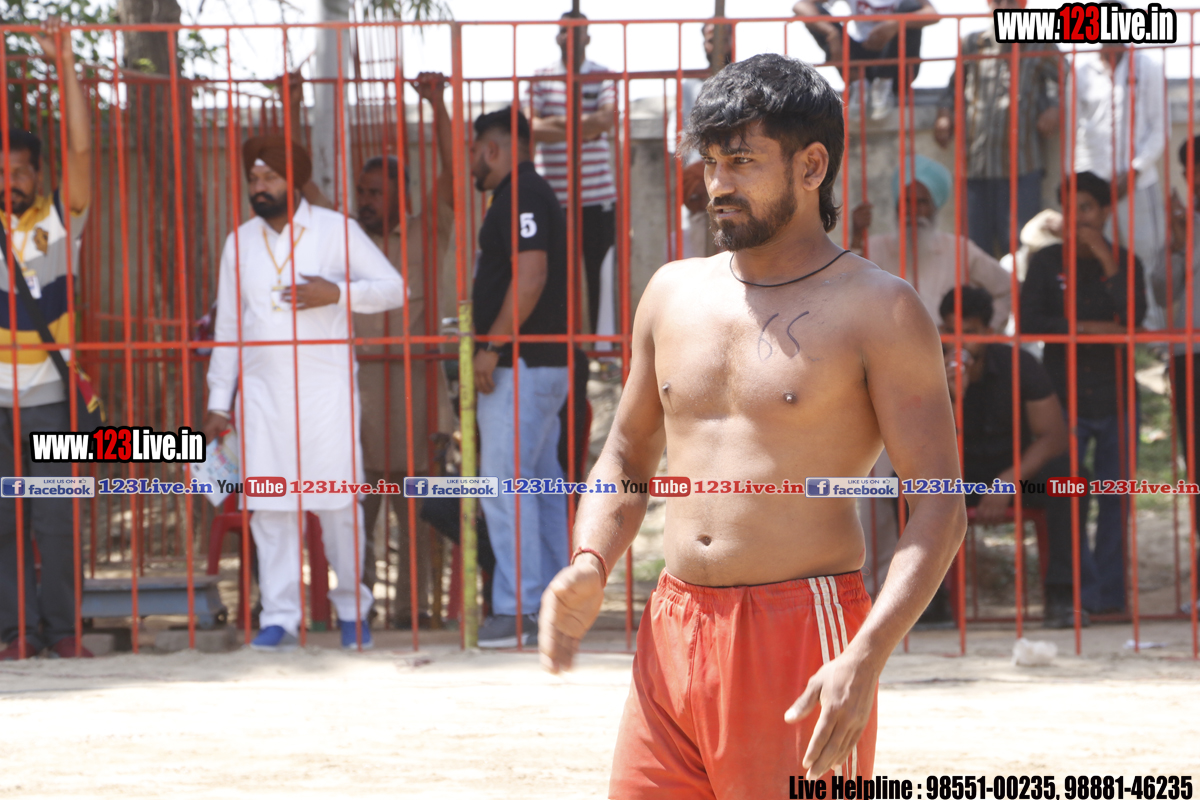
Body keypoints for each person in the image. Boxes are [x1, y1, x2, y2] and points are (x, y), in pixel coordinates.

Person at [539, 54, 965, 795]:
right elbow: (627, 454)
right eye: (710, 162)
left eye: (741, 161)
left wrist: (866, 655)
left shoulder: (879, 308)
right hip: (671, 627)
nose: (718, 184)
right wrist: (590, 561)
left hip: (800, 634)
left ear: (811, 166)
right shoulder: (671, 293)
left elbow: (938, 504)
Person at [202, 136, 405, 651]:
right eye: (254, 179)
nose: (260, 187)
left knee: (338, 507)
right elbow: (229, 329)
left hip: (324, 399)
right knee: (271, 510)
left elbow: (393, 288)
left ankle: (353, 612)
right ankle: (280, 616)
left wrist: (336, 293)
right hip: (263, 400)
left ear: (293, 180)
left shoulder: (336, 230)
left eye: (270, 178)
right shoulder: (239, 243)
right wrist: (218, 402)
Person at [0, 18, 93, 661]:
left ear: (37, 175)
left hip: (52, 398)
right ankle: (17, 633)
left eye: (20, 171)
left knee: (57, 519)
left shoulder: (58, 223)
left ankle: (63, 630)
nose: (10, 179)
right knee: (4, 522)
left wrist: (64, 64)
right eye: (1, 170)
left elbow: (82, 153)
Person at [352, 72, 456, 629]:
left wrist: (437, 107)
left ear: (401, 195)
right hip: (359, 398)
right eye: (362, 192)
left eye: (375, 192)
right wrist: (293, 104)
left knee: (416, 513)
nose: (364, 201)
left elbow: (453, 177)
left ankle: (413, 610)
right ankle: (359, 605)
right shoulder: (345, 239)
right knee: (356, 514)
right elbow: (304, 191)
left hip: (415, 396)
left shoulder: (426, 230)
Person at [1020, 171, 1146, 615]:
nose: (1079, 218)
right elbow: (1029, 322)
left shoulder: (1126, 262)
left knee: (1116, 500)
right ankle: (1080, 596)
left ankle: (1111, 599)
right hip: (1064, 397)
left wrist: (1107, 263)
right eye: (1071, 209)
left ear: (1107, 212)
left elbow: (1134, 321)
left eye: (1088, 208)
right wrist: (1089, 329)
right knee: (1070, 495)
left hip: (1117, 397)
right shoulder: (1046, 260)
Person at [470, 107, 571, 649]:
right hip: (541, 364)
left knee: (505, 486)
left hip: (521, 365)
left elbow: (530, 276)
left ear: (492, 149)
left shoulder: (522, 194)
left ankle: (520, 609)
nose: (472, 162)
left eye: (475, 151)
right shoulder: (529, 193)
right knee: (540, 486)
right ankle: (556, 603)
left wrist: (492, 346)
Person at [938, 286, 1086, 628]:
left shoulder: (1018, 364)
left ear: (989, 332)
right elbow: (919, 443)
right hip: (957, 480)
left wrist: (1009, 480)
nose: (960, 340)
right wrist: (952, 398)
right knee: (904, 486)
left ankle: (1062, 597)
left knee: (1069, 478)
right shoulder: (926, 366)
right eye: (951, 330)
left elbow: (1054, 437)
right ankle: (930, 603)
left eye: (970, 331)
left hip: (1018, 479)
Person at [933, 0, 1059, 258]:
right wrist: (944, 116)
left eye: (1012, 2)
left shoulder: (1041, 43)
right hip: (976, 167)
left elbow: (1064, 78)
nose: (1006, 8)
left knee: (1023, 251)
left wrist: (1055, 108)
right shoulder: (972, 43)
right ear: (989, 5)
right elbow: (953, 88)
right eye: (999, 2)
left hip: (1022, 168)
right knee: (976, 255)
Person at [528, 10, 617, 336]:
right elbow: (530, 127)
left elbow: (605, 121)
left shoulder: (603, 75)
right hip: (553, 198)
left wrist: (555, 124)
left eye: (577, 30)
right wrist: (584, 127)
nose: (570, 36)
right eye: (565, 30)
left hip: (597, 198)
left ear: (588, 36)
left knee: (601, 276)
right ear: (557, 36)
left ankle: (603, 348)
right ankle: (559, 347)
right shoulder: (540, 77)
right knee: (553, 277)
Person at [850, 153, 1013, 330]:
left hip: (946, 346)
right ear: (897, 207)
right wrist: (857, 237)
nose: (913, 210)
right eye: (906, 201)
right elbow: (849, 290)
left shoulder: (958, 249)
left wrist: (983, 331)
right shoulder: (875, 247)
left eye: (922, 202)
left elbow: (1009, 289)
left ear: (935, 206)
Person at [1069, 40, 1169, 327]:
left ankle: (1153, 335)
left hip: (1139, 183)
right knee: (1098, 257)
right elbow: (1072, 132)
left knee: (1149, 259)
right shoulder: (1081, 70)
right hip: (1094, 191)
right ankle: (1111, 331)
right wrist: (1079, 186)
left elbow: (1159, 129)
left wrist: (1135, 170)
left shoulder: (1148, 68)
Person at [1153, 135, 1200, 608]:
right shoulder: (1183, 226)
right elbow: (1162, 294)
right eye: (1192, 172)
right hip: (1191, 357)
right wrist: (1180, 246)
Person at [793, 0, 937, 115]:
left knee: (910, 9)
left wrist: (894, 24)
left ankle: (883, 87)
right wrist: (831, 33)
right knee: (816, 16)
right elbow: (801, 6)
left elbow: (932, 13)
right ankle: (859, 86)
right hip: (860, 62)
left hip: (896, 70)